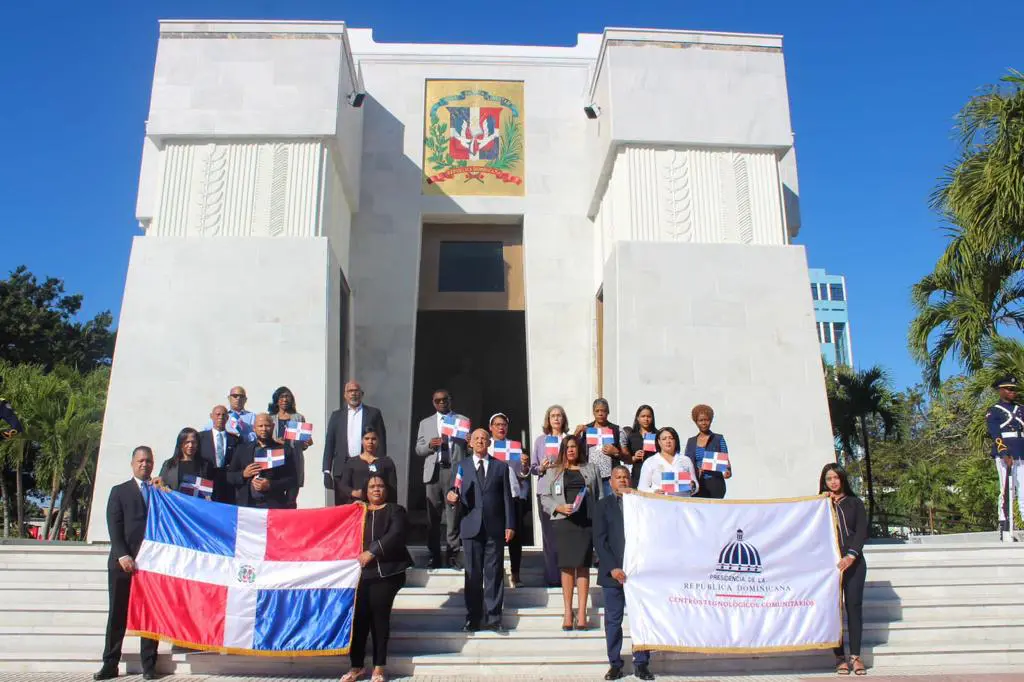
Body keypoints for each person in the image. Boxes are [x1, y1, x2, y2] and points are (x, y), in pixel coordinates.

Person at [93, 446, 159, 681]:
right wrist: (122, 555)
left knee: (150, 616)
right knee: (117, 614)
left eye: (149, 461)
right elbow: (114, 524)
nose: (145, 464)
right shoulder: (119, 491)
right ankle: (110, 664)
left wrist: (166, 491)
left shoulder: (159, 492)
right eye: (141, 461)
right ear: (132, 463)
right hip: (122, 563)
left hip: (151, 565)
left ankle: (149, 666)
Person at [342, 475, 412, 682]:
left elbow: (396, 534)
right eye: (372, 486)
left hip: (387, 573)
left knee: (379, 619)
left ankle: (379, 667)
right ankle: (356, 667)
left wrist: (372, 552)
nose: (376, 489)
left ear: (386, 490)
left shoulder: (395, 510)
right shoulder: (358, 511)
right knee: (358, 620)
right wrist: (351, 512)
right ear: (365, 490)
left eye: (381, 485)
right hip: (359, 575)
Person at [446, 428, 515, 632]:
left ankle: (494, 617)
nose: (480, 441)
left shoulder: (500, 467)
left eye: (484, 439)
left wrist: (510, 524)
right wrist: (451, 497)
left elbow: (507, 498)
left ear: (489, 443)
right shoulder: (462, 466)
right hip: (470, 526)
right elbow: (453, 490)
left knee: (494, 573)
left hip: (494, 527)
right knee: (473, 574)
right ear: (470, 443)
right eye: (476, 438)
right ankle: (473, 617)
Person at [594, 465, 654, 681]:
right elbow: (600, 540)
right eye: (618, 477)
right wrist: (613, 567)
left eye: (625, 477)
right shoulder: (602, 506)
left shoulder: (642, 505)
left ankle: (642, 664)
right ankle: (615, 664)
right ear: (610, 482)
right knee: (613, 621)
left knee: (641, 620)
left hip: (639, 574)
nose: (622, 480)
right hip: (613, 573)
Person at [538, 436, 602, 630]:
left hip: (585, 522)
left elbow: (599, 495)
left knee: (582, 566)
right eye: (568, 447)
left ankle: (582, 612)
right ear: (563, 450)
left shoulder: (591, 468)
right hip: (564, 522)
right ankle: (568, 611)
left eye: (574, 447)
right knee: (566, 567)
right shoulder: (553, 471)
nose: (571, 450)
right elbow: (545, 498)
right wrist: (558, 507)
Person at [819, 463, 868, 676]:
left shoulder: (855, 503)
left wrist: (851, 555)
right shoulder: (820, 505)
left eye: (836, 477)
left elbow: (861, 531)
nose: (833, 482)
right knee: (834, 610)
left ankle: (856, 656)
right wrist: (822, 503)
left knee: (854, 607)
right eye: (829, 478)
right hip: (831, 565)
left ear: (843, 479)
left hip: (854, 563)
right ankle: (839, 657)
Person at [415, 389, 468, 569]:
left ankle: (452, 554)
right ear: (433, 403)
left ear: (450, 400)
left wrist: (469, 441)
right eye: (438, 401)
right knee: (433, 517)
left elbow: (468, 451)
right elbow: (419, 449)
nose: (441, 403)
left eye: (445, 399)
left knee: (453, 515)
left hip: (454, 471)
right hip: (433, 471)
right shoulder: (425, 423)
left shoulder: (462, 421)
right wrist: (430, 445)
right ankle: (434, 555)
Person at [323, 380, 388, 495]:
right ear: (345, 395)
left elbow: (381, 442)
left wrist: (379, 465)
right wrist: (326, 471)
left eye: (356, 391)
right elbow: (330, 443)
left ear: (361, 394)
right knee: (343, 508)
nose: (353, 393)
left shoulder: (373, 414)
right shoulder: (336, 416)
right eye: (350, 391)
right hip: (342, 468)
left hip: (364, 466)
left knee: (364, 506)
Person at [489, 412, 530, 587]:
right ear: (491, 427)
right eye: (497, 424)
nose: (501, 427)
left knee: (515, 536)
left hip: (513, 495)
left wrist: (525, 464)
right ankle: (494, 573)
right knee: (493, 537)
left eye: (503, 424)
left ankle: (515, 574)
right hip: (492, 496)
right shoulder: (486, 446)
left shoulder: (514, 447)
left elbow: (522, 474)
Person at [532, 405, 571, 586]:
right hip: (546, 491)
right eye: (553, 416)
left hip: (565, 491)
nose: (556, 419)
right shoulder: (541, 441)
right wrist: (542, 467)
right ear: (548, 420)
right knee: (549, 536)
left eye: (559, 416)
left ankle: (567, 576)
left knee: (566, 535)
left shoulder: (569, 440)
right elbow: (533, 467)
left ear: (564, 419)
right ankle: (552, 577)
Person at [227, 413, 298, 509]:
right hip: (247, 507)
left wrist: (270, 485)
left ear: (273, 427)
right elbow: (229, 476)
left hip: (273, 506)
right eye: (260, 426)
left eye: (267, 425)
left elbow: (292, 480)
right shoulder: (242, 449)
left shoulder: (283, 450)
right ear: (254, 428)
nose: (264, 429)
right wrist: (243, 474)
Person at [985, 375, 1024, 542]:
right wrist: (1003, 453)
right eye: (1008, 389)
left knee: (1023, 490)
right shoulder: (994, 410)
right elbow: (995, 433)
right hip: (1006, 453)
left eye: (1013, 389)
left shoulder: (1021, 409)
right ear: (1000, 391)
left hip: (1022, 450)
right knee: (1007, 489)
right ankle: (1005, 524)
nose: (1012, 392)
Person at [267, 386, 311, 506]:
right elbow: (265, 438)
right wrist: (276, 441)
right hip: (276, 460)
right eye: (282, 397)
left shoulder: (299, 417)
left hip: (293, 460)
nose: (285, 400)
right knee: (276, 497)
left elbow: (302, 444)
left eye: (287, 397)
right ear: (276, 400)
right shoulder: (270, 418)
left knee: (291, 499)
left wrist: (307, 443)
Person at [574, 398, 627, 496]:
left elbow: (627, 458)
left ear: (608, 412)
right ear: (593, 413)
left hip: (609, 479)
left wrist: (616, 452)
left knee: (609, 508)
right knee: (592, 509)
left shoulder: (616, 430)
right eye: (597, 411)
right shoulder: (586, 430)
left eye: (603, 410)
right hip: (590, 477)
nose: (600, 413)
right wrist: (576, 434)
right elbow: (574, 450)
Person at [335, 428, 399, 504]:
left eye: (373, 439)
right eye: (367, 438)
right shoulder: (352, 462)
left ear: (378, 441)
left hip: (380, 507)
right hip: (358, 506)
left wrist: (391, 509)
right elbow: (343, 485)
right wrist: (353, 492)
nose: (370, 442)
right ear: (362, 441)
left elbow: (392, 489)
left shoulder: (387, 462)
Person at [683, 404, 732, 499]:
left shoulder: (718, 439)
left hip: (715, 484)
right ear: (696, 422)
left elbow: (726, 460)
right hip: (697, 484)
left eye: (706, 420)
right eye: (700, 420)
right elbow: (686, 463)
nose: (704, 423)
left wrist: (727, 471)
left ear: (711, 420)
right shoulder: (691, 441)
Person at [637, 427, 699, 496]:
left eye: (671, 438)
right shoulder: (650, 461)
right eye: (664, 439)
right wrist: (653, 492)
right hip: (660, 502)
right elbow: (641, 488)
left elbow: (696, 485)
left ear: (675, 440)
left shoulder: (686, 460)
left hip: (683, 503)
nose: (668, 441)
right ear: (659, 442)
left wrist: (693, 486)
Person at [199, 405, 239, 503]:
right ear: (211, 416)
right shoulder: (201, 437)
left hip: (227, 484)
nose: (220, 417)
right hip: (207, 481)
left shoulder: (235, 439)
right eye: (217, 414)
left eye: (223, 415)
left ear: (227, 418)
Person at [154, 427, 214, 495]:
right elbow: (161, 485)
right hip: (175, 504)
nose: (190, 445)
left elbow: (210, 491)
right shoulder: (169, 464)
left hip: (197, 504)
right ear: (180, 444)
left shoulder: (205, 465)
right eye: (187, 442)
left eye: (193, 442)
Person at [624, 405, 657, 490]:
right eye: (643, 416)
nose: (646, 419)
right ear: (637, 418)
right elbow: (626, 459)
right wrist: (634, 457)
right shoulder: (632, 436)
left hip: (655, 476)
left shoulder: (658, 435)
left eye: (649, 416)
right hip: (637, 475)